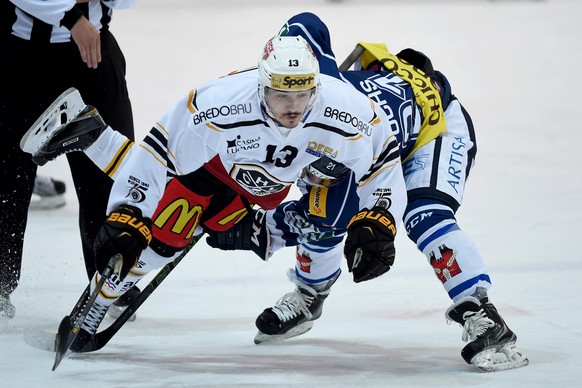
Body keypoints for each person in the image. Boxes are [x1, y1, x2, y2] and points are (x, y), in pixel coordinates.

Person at [20, 35, 407, 351]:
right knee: (165, 236)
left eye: (301, 95)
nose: (292, 108)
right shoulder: (219, 103)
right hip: (212, 167)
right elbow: (160, 154)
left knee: (198, 225)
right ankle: (98, 302)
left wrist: (380, 216)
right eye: (280, 96)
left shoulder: (346, 112)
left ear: (316, 87)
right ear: (260, 85)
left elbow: (384, 160)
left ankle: (94, 135)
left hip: (257, 185)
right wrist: (129, 211)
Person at [204, 13, 528, 371]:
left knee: (424, 216)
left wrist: (261, 230)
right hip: (376, 127)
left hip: (435, 128)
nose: (291, 108)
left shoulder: (349, 137)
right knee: (322, 206)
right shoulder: (304, 96)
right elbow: (304, 23)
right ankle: (312, 295)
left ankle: (481, 313)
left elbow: (329, 216)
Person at [0, 0, 137, 320]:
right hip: (23, 59)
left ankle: (112, 282)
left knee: (111, 178)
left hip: (95, 57)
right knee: (7, 183)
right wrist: (71, 17)